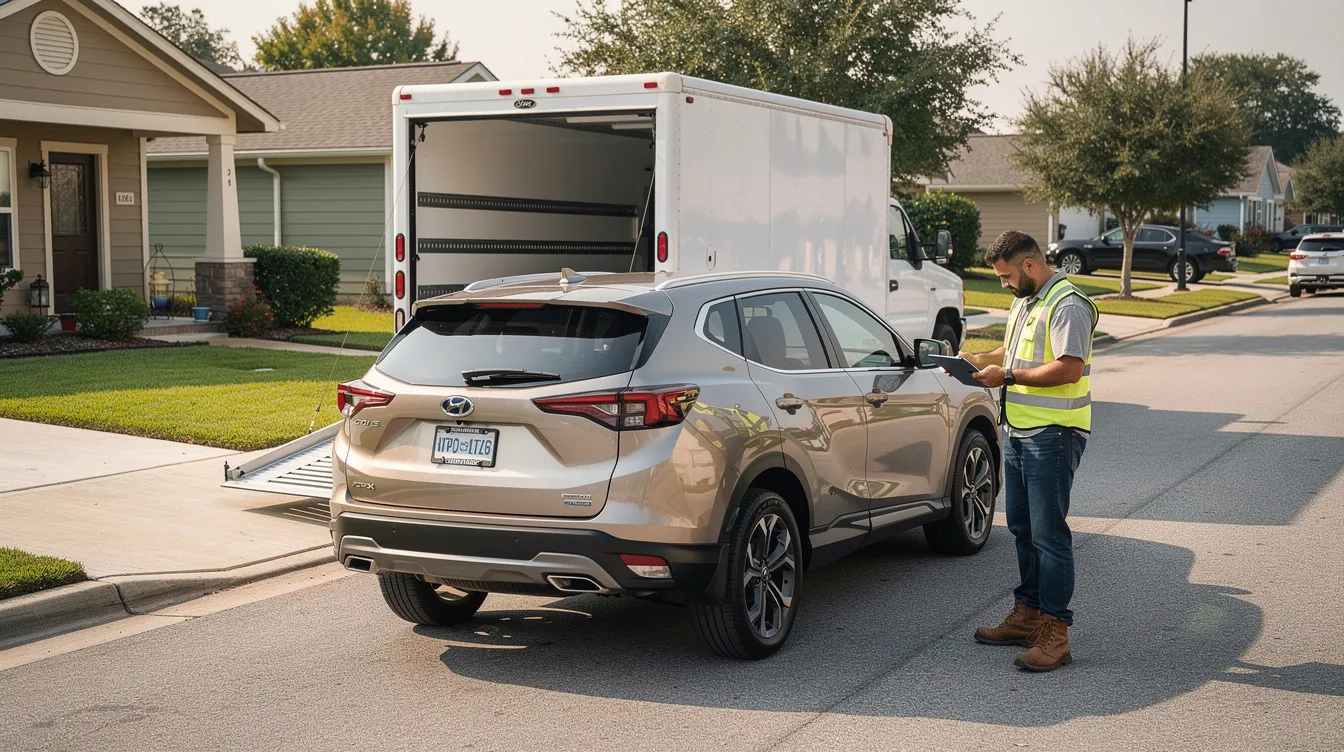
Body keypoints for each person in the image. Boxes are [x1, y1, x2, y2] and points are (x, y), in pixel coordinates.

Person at [959, 230, 1099, 672]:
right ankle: (1029, 614)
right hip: (1020, 432)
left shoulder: (1067, 303)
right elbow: (1013, 350)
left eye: (1004, 276)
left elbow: (1069, 368)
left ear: (1030, 265)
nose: (1002, 284)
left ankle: (1056, 633)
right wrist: (975, 359)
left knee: (1049, 536)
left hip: (1054, 435)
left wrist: (1010, 378)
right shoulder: (1026, 299)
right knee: (1021, 527)